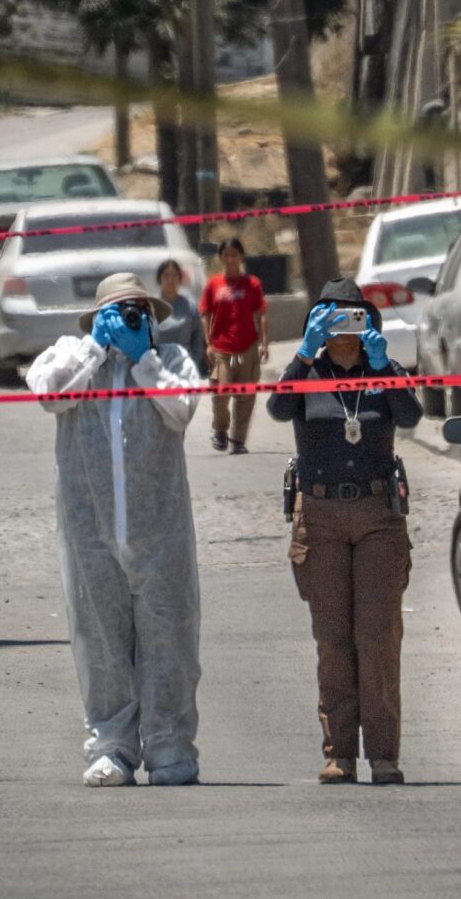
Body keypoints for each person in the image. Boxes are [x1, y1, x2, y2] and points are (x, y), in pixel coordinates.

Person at [27, 273, 206, 787]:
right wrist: (94, 350)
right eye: (122, 311)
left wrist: (144, 359)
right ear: (100, 316)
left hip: (160, 532)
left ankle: (171, 747)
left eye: (140, 312)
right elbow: (49, 393)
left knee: (170, 637)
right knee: (100, 637)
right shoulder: (72, 355)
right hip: (91, 533)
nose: (132, 319)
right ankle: (112, 747)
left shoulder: (169, 361)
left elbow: (181, 409)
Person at [267, 279, 421, 785]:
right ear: (318, 322)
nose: (343, 328)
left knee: (377, 637)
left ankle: (383, 755)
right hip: (321, 513)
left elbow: (411, 415)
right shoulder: (309, 371)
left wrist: (383, 365)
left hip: (378, 512)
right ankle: (340, 753)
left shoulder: (384, 370)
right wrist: (304, 353)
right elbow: (277, 408)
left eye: (353, 316)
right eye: (331, 317)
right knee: (333, 640)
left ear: (368, 322)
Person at [198, 237, 266, 454]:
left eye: (234, 255)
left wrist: (264, 343)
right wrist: (207, 343)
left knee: (246, 395)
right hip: (221, 347)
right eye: (225, 255)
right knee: (220, 391)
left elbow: (260, 314)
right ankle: (220, 428)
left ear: (241, 256)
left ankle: (238, 439)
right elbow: (205, 314)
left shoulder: (252, 284)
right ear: (220, 258)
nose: (230, 259)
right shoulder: (213, 285)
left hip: (247, 345)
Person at [155, 258, 208, 376]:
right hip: (158, 369)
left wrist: (192, 362)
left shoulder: (190, 306)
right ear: (160, 278)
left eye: (174, 275)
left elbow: (198, 338)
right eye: (166, 275)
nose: (170, 279)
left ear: (180, 278)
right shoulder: (152, 306)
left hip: (185, 368)